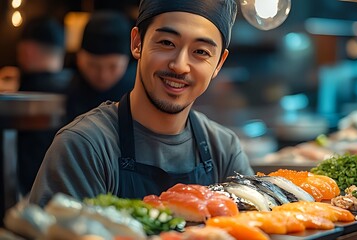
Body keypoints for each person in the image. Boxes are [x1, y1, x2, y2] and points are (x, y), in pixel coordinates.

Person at [29, 0, 254, 206]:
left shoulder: (224, 150)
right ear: (137, 43)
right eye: (167, 42)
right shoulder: (85, 147)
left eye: (200, 52)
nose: (180, 65)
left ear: (218, 64)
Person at [15, 16, 72, 196]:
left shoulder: (29, 90)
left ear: (28, 51)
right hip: (67, 190)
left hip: (29, 192)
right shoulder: (75, 84)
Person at [66, 10, 135, 122]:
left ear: (127, 61)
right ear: (79, 58)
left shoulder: (137, 96)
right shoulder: (63, 94)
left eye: (113, 66)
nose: (103, 75)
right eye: (93, 65)